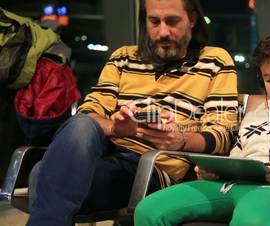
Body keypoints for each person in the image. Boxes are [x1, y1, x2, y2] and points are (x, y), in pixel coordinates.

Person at [26, 0, 239, 225]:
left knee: (43, 174)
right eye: (154, 21)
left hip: (150, 169)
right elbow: (89, 111)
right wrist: (116, 127)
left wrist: (180, 141)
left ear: (192, 19)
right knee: (79, 126)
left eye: (172, 21)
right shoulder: (123, 58)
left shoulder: (215, 61)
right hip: (102, 152)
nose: (163, 31)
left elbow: (222, 134)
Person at [134, 27, 270, 226]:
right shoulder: (254, 116)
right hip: (230, 187)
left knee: (253, 217)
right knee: (149, 210)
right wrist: (214, 171)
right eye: (267, 78)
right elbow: (237, 157)